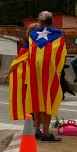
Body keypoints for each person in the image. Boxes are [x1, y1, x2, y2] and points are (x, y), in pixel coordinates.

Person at [27, 12, 67, 141]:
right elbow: (62, 55)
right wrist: (58, 72)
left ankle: (36, 129)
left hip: (34, 73)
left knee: (36, 102)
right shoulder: (58, 35)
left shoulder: (33, 35)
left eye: (39, 21)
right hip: (49, 74)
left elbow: (29, 54)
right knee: (47, 102)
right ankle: (45, 132)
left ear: (42, 22)